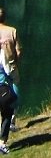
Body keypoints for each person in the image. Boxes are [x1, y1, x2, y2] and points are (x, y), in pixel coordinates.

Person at [0, 11, 20, 145]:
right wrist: (16, 63)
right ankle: (10, 123)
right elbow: (19, 51)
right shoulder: (12, 30)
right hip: (10, 69)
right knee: (13, 96)